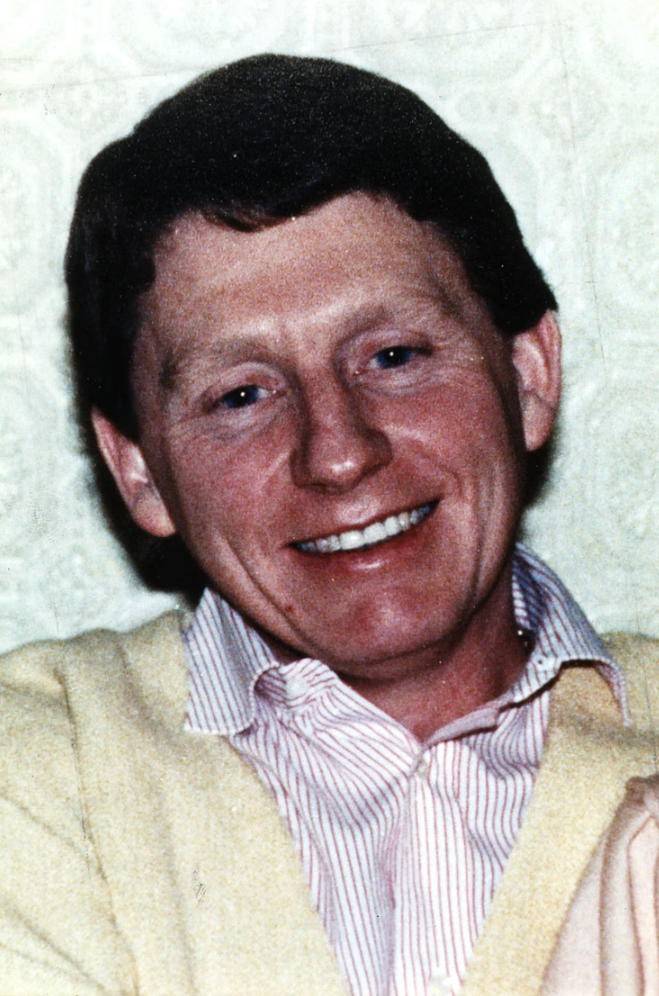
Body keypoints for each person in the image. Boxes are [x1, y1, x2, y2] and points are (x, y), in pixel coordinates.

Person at [0, 54, 656, 996]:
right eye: (241, 395)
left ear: (527, 378)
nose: (338, 453)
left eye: (392, 356)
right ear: (138, 470)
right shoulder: (32, 773)